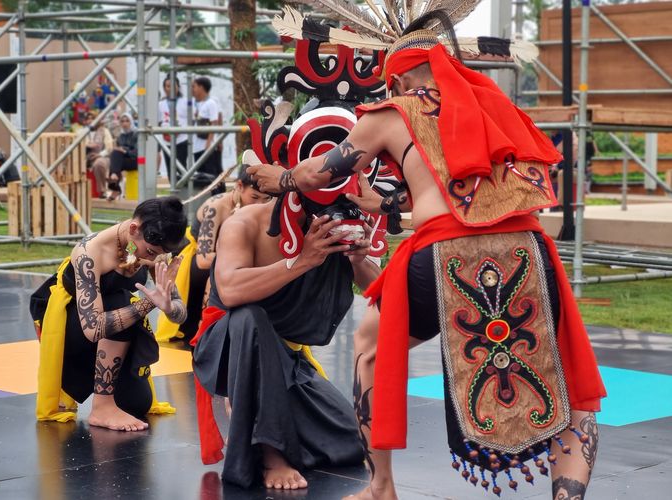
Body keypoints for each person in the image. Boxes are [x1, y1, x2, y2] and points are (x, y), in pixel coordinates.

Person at [249, 9, 606, 500]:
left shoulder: (392, 113)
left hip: (446, 254)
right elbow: (471, 188)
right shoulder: (493, 106)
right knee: (568, 382)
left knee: (370, 346)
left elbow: (321, 175)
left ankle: (381, 487)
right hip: (526, 250)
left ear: (400, 74)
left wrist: (277, 177)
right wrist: (393, 203)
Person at [191, 194, 378, 490]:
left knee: (351, 441)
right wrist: (302, 261)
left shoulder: (332, 223)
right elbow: (229, 291)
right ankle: (271, 453)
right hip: (229, 345)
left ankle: (256, 416)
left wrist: (358, 260)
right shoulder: (243, 223)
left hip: (285, 356)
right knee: (250, 317)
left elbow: (380, 291)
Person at [30, 196, 188, 431]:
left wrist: (167, 305)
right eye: (151, 252)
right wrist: (149, 304)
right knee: (119, 300)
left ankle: (111, 399)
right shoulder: (90, 252)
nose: (153, 258)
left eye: (159, 254)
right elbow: (93, 328)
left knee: (138, 403)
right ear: (134, 229)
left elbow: (180, 313)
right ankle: (102, 407)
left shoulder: (154, 248)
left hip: (115, 335)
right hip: (75, 330)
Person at [155, 170, 271, 343]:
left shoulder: (262, 211)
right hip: (197, 261)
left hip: (235, 262)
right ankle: (208, 329)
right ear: (239, 186)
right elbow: (203, 260)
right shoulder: (216, 206)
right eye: (254, 197)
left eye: (265, 199)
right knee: (218, 274)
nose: (259, 204)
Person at [191, 76, 224, 194]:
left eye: (194, 86)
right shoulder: (198, 104)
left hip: (207, 147)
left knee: (213, 175)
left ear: (201, 87)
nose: (192, 89)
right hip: (197, 147)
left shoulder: (211, 103)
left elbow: (214, 123)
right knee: (202, 176)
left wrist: (209, 144)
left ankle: (219, 197)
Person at [158, 76, 190, 181]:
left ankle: (183, 193)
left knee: (182, 168)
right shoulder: (160, 104)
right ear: (164, 88)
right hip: (166, 142)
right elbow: (158, 121)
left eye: (173, 86)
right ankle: (173, 194)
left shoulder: (185, 102)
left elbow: (192, 117)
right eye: (167, 86)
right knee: (170, 170)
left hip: (182, 140)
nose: (170, 88)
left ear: (178, 87)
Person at [107, 113, 138, 200]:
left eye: (127, 121)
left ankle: (115, 189)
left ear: (131, 122)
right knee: (115, 154)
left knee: (115, 155)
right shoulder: (121, 136)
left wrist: (124, 151)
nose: (125, 123)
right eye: (122, 121)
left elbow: (137, 153)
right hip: (126, 161)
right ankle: (114, 179)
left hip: (138, 161)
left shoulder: (137, 134)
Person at [84, 111, 113, 197]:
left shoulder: (104, 131)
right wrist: (87, 146)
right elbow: (78, 146)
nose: (90, 121)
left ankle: (102, 191)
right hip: (86, 157)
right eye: (88, 119)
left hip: (103, 157)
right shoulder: (83, 132)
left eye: (92, 118)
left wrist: (99, 154)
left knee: (99, 164)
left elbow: (109, 148)